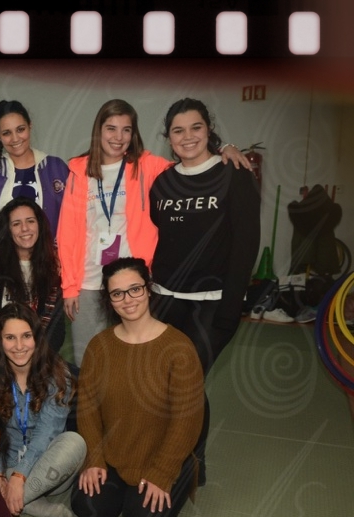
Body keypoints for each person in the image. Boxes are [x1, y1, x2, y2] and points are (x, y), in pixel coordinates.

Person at [56, 99, 247, 366]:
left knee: (132, 361)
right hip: (88, 280)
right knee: (87, 360)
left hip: (133, 282)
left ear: (134, 134)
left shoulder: (148, 166)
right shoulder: (78, 171)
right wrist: (69, 287)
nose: (118, 137)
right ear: (98, 131)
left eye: (126, 129)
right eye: (111, 128)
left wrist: (224, 147)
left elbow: (191, 158)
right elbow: (67, 232)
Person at [149, 97, 261, 484]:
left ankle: (192, 465)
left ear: (209, 130)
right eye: (178, 130)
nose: (187, 137)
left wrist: (231, 308)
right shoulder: (163, 182)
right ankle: (167, 453)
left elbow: (246, 244)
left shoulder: (233, 174)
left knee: (188, 382)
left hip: (212, 304)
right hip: (164, 299)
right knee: (165, 383)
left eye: (195, 127)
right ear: (168, 137)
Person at [72, 257, 203, 517]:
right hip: (114, 455)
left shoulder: (179, 347)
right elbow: (87, 408)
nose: (128, 299)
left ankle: (176, 477)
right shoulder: (99, 346)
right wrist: (94, 458)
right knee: (90, 508)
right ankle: (123, 488)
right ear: (109, 300)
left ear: (148, 289)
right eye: (117, 293)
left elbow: (187, 420)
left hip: (161, 456)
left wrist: (163, 472)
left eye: (135, 289)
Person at [0, 303, 84, 517]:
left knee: (75, 442)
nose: (19, 346)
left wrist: (19, 477)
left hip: (49, 469)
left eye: (26, 336)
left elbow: (47, 433)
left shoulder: (58, 374)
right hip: (5, 464)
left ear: (37, 338)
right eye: (10, 338)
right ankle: (32, 504)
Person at [0, 99, 69, 269]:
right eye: (7, 133)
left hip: (50, 269)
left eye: (20, 129)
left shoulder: (56, 169)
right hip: (2, 270)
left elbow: (73, 224)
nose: (15, 138)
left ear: (30, 126)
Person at [0, 197, 62, 364]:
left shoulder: (52, 270)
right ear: (6, 230)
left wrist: (34, 363)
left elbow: (55, 330)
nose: (25, 228)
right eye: (16, 224)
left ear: (40, 225)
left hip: (36, 360)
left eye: (30, 221)